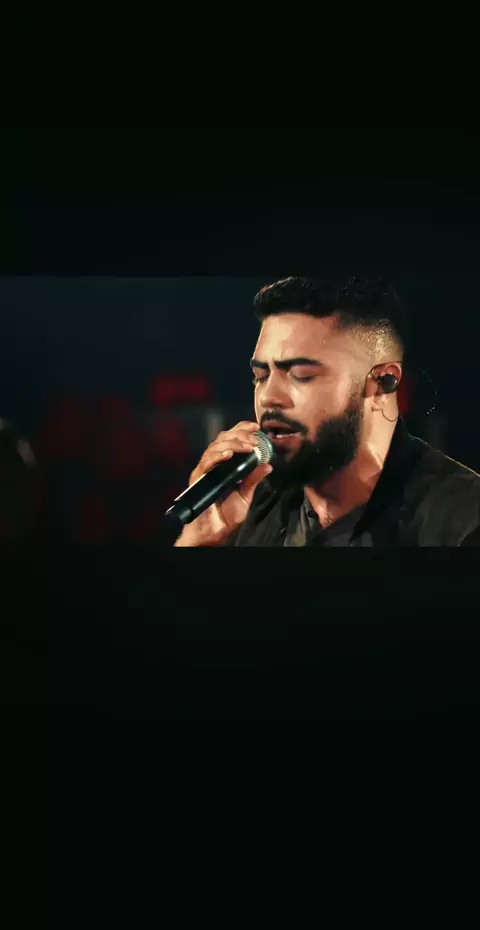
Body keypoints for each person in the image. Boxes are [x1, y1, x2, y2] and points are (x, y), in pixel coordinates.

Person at [174, 276, 480, 547]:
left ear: (382, 383)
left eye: (302, 375)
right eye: (261, 376)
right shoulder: (246, 506)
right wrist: (202, 539)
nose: (268, 397)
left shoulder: (464, 520)